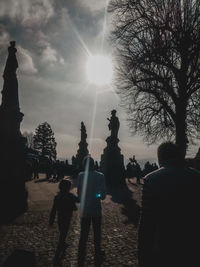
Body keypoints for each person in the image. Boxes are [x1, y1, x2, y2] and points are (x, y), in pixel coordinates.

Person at [138, 142, 200, 267]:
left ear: (160, 158)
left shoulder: (151, 179)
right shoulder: (196, 177)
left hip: (163, 245)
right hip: (192, 244)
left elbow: (147, 222)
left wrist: (143, 254)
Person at [77, 155, 106, 267]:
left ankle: (81, 251)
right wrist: (96, 195)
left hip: (84, 209)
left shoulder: (80, 175)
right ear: (94, 164)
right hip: (96, 209)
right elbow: (103, 195)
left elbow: (79, 194)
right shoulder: (100, 176)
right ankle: (97, 250)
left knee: (84, 232)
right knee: (97, 231)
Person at [49, 179, 78, 266]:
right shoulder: (70, 196)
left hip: (60, 216)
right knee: (64, 231)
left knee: (62, 229)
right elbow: (78, 201)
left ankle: (62, 242)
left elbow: (54, 209)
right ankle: (61, 244)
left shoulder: (57, 196)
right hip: (67, 216)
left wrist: (51, 219)